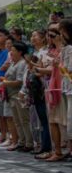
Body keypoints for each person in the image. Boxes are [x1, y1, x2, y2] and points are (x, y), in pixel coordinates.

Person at [37, 23, 66, 161]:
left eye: (53, 35)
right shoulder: (51, 51)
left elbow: (64, 67)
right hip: (53, 87)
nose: (50, 38)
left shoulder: (66, 49)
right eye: (49, 35)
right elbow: (49, 69)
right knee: (53, 120)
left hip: (64, 87)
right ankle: (58, 151)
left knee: (65, 121)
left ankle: (63, 150)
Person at [1, 41, 34, 152]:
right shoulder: (12, 63)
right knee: (17, 120)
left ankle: (29, 143)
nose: (11, 52)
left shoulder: (22, 63)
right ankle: (21, 141)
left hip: (19, 95)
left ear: (20, 52)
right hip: (11, 95)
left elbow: (20, 81)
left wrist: (5, 83)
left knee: (24, 120)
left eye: (13, 50)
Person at [26, 29, 52, 158]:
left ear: (43, 38)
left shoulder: (45, 52)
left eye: (35, 35)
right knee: (40, 120)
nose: (32, 38)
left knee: (45, 120)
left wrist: (33, 66)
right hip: (35, 90)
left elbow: (42, 71)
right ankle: (42, 145)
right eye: (32, 35)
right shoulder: (35, 52)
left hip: (43, 89)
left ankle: (47, 147)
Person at [58, 18, 72, 158]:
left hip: (70, 88)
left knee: (70, 119)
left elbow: (68, 69)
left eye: (62, 31)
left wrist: (60, 66)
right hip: (67, 89)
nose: (60, 35)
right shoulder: (65, 49)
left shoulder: (69, 49)